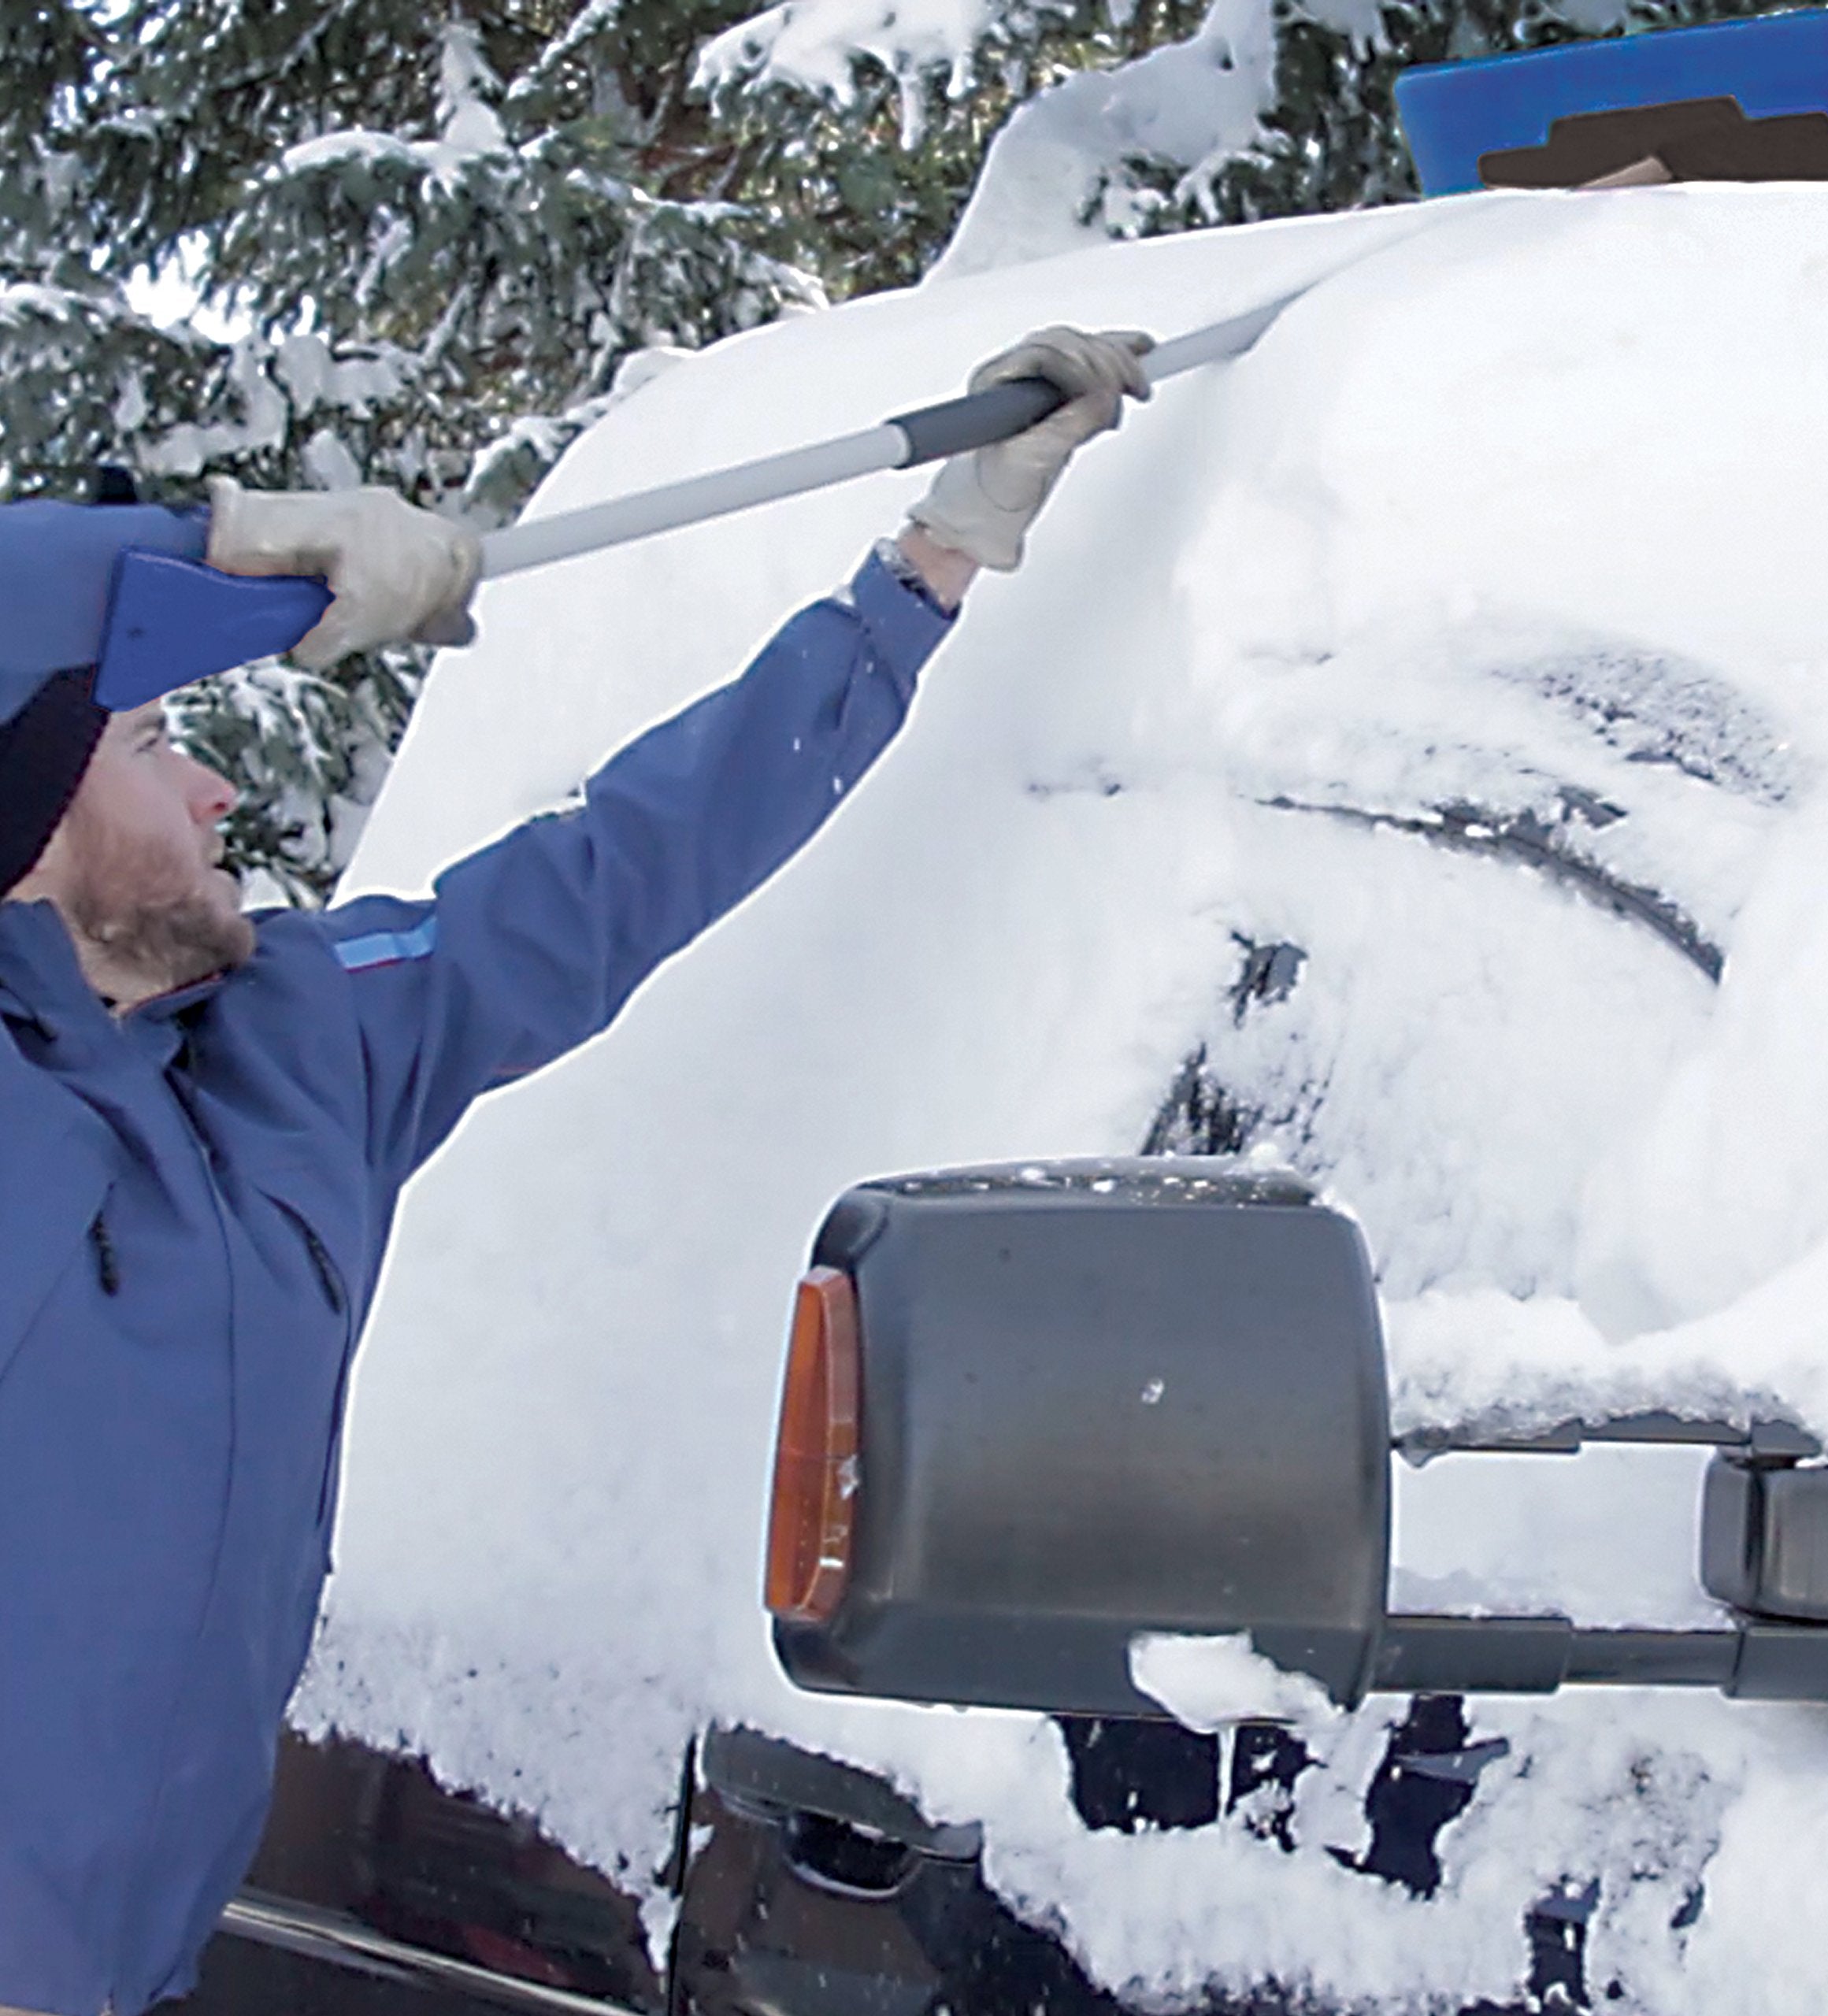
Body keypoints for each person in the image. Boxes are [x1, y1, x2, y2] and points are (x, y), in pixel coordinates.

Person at [0, 326, 1151, 2016]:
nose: (217, 779)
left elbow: (624, 861)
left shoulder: (293, 1046)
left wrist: (930, 566)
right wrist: (205, 560)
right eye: (158, 743)